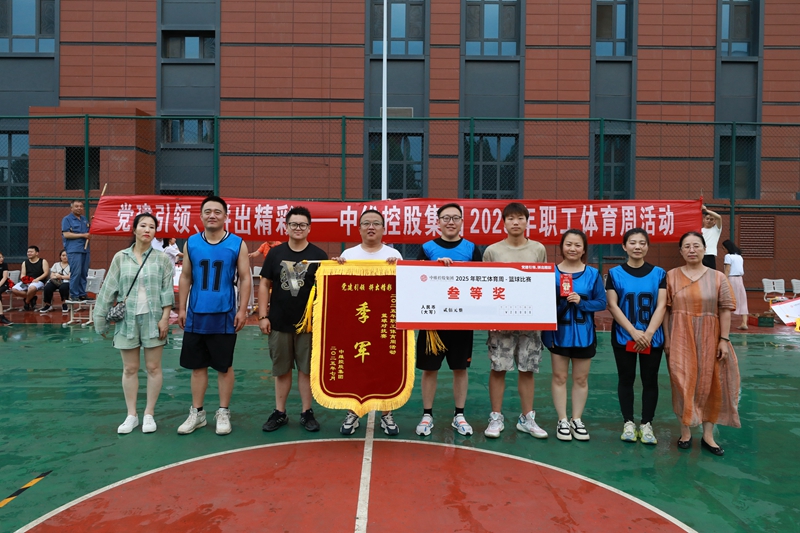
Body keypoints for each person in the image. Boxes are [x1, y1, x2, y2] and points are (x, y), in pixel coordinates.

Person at [176, 196, 252, 436]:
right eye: (207, 211)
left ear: (226, 216)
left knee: (223, 366)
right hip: (196, 313)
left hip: (225, 314)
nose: (212, 215)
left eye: (217, 212)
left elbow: (245, 278)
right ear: (201, 216)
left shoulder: (237, 243)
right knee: (197, 367)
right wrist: (181, 308)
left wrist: (242, 309)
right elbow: (186, 276)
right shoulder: (191, 243)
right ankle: (197, 413)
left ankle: (223, 411)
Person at [94, 213, 175, 434]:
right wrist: (100, 320)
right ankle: (131, 415)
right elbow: (108, 289)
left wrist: (165, 318)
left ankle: (149, 413)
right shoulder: (121, 257)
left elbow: (167, 291)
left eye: (152, 227)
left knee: (153, 367)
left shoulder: (161, 259)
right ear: (134, 229)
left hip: (153, 318)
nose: (147, 230)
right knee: (130, 369)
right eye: (143, 225)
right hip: (127, 320)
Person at [664, 232, 741, 456]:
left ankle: (708, 436)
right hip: (680, 335)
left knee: (711, 383)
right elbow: (666, 310)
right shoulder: (671, 276)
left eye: (696, 246)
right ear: (680, 251)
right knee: (682, 382)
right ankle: (685, 431)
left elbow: (725, 309)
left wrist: (724, 339)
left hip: (711, 335)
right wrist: (667, 339)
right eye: (687, 246)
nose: (691, 250)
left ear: (704, 249)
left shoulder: (718, 277)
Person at [415, 203, 483, 437]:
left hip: (462, 320)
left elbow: (480, 281)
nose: (450, 222)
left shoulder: (471, 248)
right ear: (438, 222)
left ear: (462, 221)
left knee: (460, 368)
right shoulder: (427, 248)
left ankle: (459, 415)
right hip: (433, 321)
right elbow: (417, 277)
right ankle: (427, 415)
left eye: (455, 218)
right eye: (446, 218)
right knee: (429, 369)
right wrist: (434, 267)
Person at [481, 202, 548, 439]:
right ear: (504, 223)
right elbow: (485, 285)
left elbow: (542, 283)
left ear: (527, 222)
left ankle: (527, 418)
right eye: (510, 218)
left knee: (527, 369)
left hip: (530, 321)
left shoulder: (538, 249)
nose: (516, 222)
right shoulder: (492, 251)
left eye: (520, 218)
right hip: (501, 321)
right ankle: (496, 416)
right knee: (498, 367)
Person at [334, 209, 403, 436]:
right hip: (356, 323)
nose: (371, 227)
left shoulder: (394, 254)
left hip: (384, 323)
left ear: (384, 229)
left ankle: (386, 413)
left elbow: (404, 288)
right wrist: (336, 269)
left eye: (375, 223)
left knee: (385, 367)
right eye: (366, 223)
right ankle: (353, 412)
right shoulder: (349, 254)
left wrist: (397, 268)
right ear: (359, 228)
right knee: (355, 367)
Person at [259, 207, 327, 432]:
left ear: (309, 228)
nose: (298, 228)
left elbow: (327, 288)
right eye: (294, 224)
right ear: (286, 227)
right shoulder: (275, 254)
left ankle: (307, 412)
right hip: (279, 322)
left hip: (308, 324)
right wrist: (263, 315)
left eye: (302, 224)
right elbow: (265, 284)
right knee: (282, 369)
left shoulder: (319, 256)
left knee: (306, 370)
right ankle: (280, 412)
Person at [542, 229, 606, 442]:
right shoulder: (551, 273)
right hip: (558, 334)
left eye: (578, 245)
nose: (573, 248)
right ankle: (562, 419)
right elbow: (541, 303)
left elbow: (601, 302)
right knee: (559, 377)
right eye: (568, 244)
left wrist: (582, 302)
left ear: (584, 249)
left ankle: (576, 419)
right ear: (561, 247)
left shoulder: (592, 274)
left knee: (581, 378)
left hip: (584, 334)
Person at [605, 228, 667, 445]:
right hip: (624, 336)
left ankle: (647, 423)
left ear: (647, 246)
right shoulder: (614, 274)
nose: (637, 247)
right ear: (624, 246)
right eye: (632, 242)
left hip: (652, 337)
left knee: (650, 380)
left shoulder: (659, 273)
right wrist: (633, 331)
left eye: (642, 242)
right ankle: (628, 422)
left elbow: (662, 305)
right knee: (626, 378)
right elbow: (612, 305)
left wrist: (648, 333)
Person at [61, 199, 91, 302]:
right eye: (76, 206)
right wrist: (83, 235)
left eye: (81, 206)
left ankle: (82, 294)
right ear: (72, 208)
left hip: (85, 249)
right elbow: (66, 234)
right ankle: (74, 294)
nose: (79, 208)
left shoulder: (84, 219)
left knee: (84, 272)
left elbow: (88, 232)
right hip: (74, 249)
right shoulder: (67, 219)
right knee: (76, 272)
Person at [11, 245, 49, 311]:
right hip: (27, 281)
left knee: (32, 288)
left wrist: (37, 279)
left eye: (31, 252)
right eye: (28, 252)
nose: (29, 253)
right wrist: (24, 280)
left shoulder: (43, 261)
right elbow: (22, 274)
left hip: (38, 281)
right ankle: (32, 298)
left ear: (37, 253)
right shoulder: (25, 263)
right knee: (14, 289)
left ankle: (27, 301)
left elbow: (46, 273)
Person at [723, 240, 749, 331]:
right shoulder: (739, 257)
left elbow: (727, 269)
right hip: (740, 279)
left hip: (731, 278)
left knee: (729, 299)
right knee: (742, 299)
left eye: (724, 248)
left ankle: (726, 322)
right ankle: (744, 323)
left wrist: (724, 280)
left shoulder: (728, 256)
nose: (723, 250)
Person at [700, 205, 722, 270]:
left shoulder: (716, 229)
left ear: (714, 221)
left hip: (710, 254)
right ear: (703, 220)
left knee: (711, 274)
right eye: (707, 219)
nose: (709, 221)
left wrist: (706, 210)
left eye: (711, 219)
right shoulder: (699, 230)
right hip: (700, 254)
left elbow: (719, 217)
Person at [0, 251, 11, 325]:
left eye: (2, 257)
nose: (1, 259)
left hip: (3, 284)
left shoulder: (4, 265)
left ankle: (1, 316)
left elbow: (5, 277)